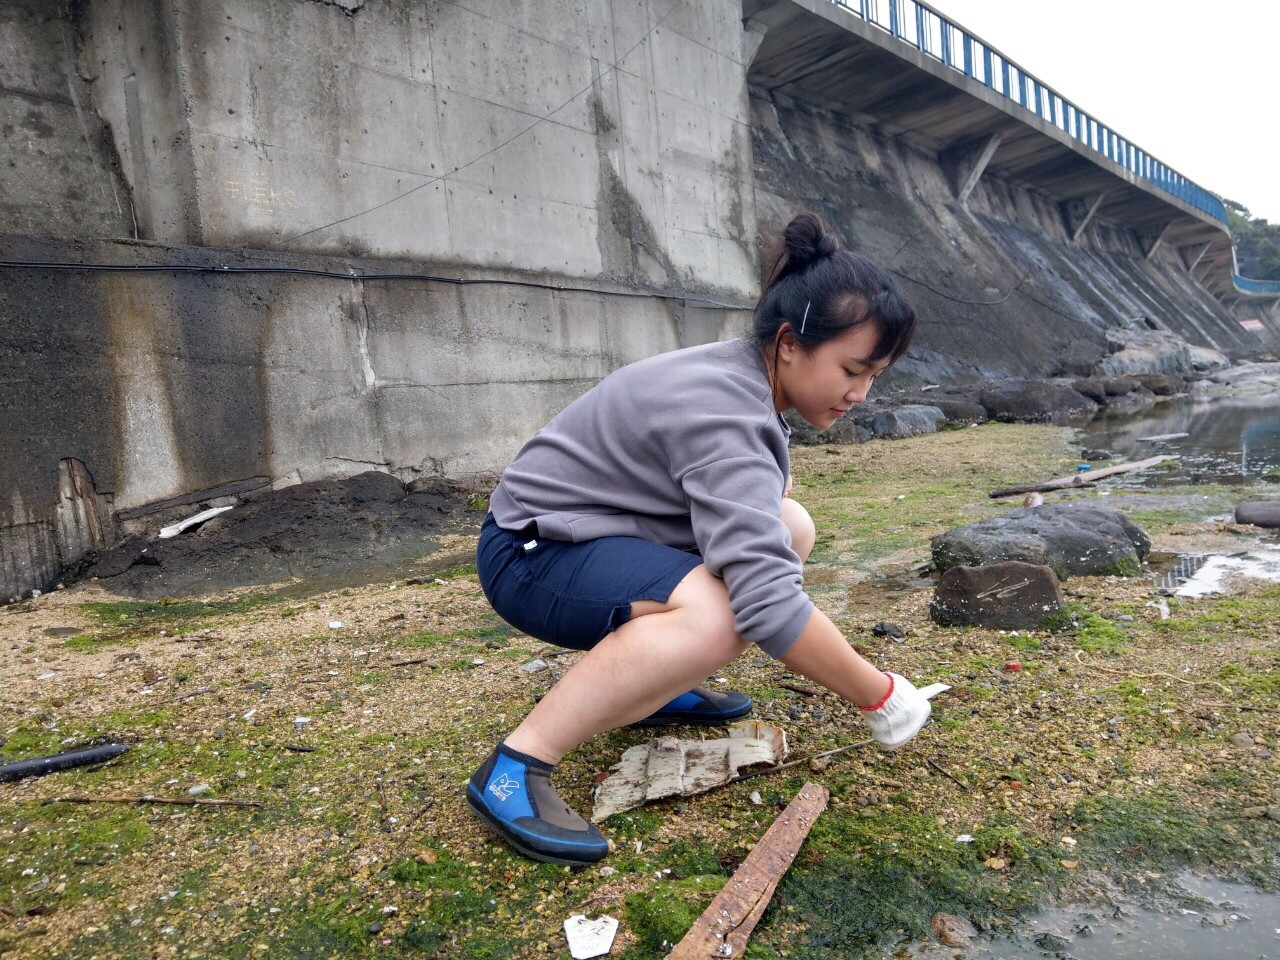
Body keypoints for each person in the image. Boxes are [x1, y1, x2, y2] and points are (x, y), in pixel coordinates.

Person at [467, 211, 932, 865]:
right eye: (853, 369)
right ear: (789, 343)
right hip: (532, 550)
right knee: (721, 615)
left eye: (875, 376)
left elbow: (743, 494)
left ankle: (652, 688)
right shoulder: (727, 408)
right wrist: (878, 693)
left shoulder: (744, 376)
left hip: (597, 530)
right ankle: (516, 767)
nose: (860, 392)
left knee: (788, 527)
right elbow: (769, 606)